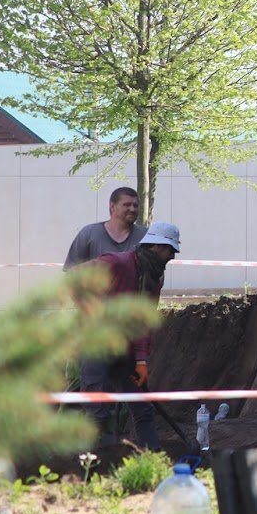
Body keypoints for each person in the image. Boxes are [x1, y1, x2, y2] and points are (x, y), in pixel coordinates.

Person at [77, 221, 181, 450]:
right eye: (170, 250)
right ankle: (86, 466)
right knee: (97, 411)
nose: (172, 257)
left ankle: (153, 460)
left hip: (124, 352)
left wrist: (141, 361)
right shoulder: (117, 262)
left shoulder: (154, 278)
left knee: (142, 407)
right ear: (157, 247)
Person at [63, 186, 146, 269]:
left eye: (135, 205)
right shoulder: (89, 233)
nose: (132, 209)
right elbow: (70, 272)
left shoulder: (146, 236)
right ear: (112, 206)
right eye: (127, 205)